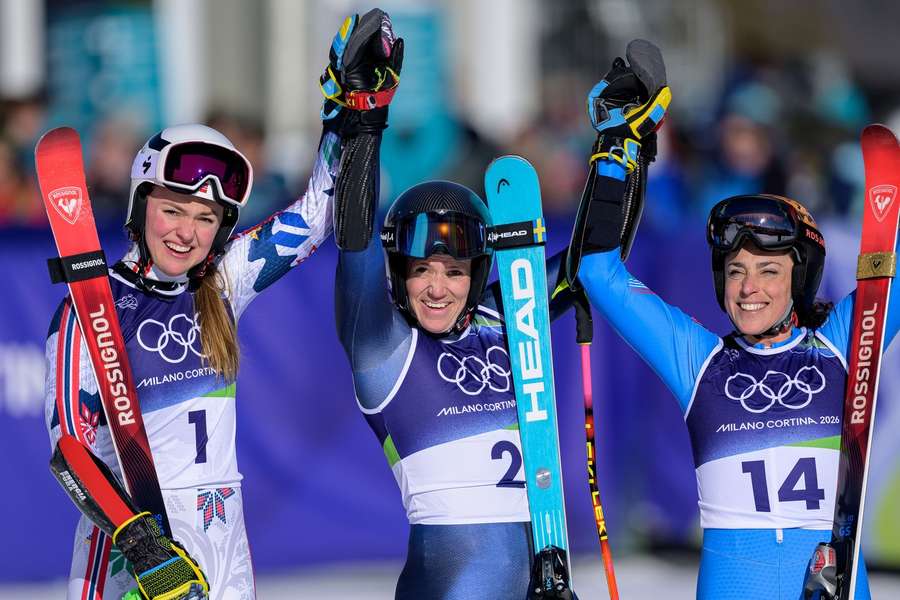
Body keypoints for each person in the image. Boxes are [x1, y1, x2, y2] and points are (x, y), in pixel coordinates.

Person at [43, 13, 396, 599]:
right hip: (130, 546)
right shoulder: (92, 306)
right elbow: (69, 450)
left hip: (221, 539)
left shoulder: (223, 284)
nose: (186, 232)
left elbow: (317, 214)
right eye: (173, 210)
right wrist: (144, 547)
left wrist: (348, 112)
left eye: (206, 219)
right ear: (139, 205)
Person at [568, 42, 897, 600]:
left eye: (769, 270)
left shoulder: (846, 343)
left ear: (800, 278)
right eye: (736, 270)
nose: (749, 288)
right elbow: (599, 273)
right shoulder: (699, 361)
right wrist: (619, 152)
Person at [327, 24, 577, 600]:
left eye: (455, 271)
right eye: (420, 270)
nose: (437, 287)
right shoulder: (382, 347)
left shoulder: (509, 319)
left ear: (479, 275)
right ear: (398, 275)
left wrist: (622, 156)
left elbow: (592, 265)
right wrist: (366, 120)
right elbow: (357, 244)